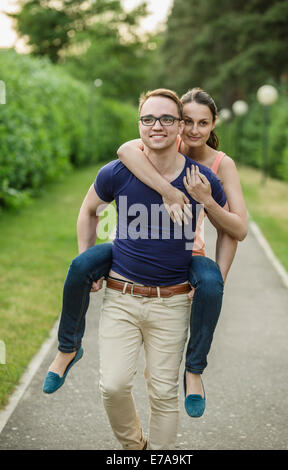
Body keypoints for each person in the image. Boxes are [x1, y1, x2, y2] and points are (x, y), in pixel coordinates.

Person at [43, 87, 246, 422]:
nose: (194, 130)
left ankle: (193, 372)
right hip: (134, 249)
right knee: (81, 266)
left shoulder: (219, 166)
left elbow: (236, 230)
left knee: (210, 287)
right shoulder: (162, 141)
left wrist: (206, 201)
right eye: (188, 121)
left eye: (203, 123)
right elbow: (124, 150)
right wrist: (168, 190)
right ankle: (68, 348)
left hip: (185, 254)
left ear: (213, 125)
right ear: (180, 123)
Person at [85, 88, 228, 450]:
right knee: (113, 385)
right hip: (122, 294)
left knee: (164, 393)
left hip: (174, 295)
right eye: (148, 118)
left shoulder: (203, 177)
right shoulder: (121, 168)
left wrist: (216, 274)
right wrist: (87, 259)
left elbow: (233, 228)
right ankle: (136, 447)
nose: (156, 125)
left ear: (178, 125)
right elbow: (91, 207)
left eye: (166, 119)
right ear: (140, 123)